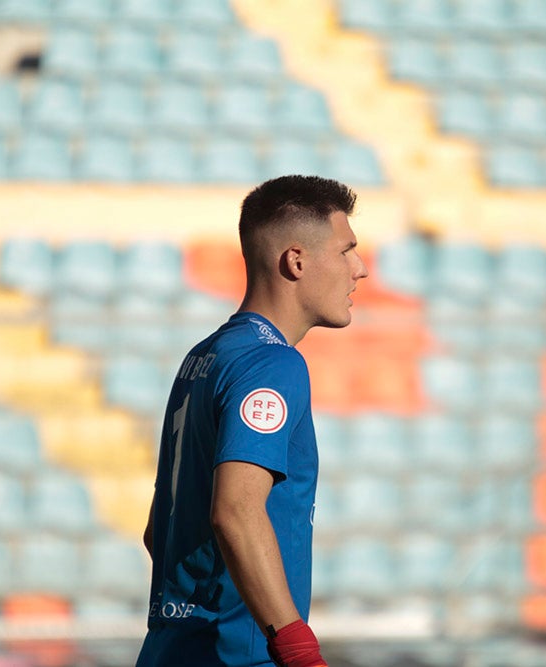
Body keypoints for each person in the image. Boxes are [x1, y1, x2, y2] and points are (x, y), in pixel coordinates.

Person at [135, 175, 369, 667]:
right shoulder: (273, 364)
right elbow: (236, 510)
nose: (360, 269)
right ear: (296, 261)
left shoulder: (204, 357)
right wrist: (298, 650)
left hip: (170, 650)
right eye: (347, 250)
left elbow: (160, 532)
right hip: (237, 655)